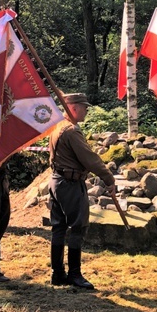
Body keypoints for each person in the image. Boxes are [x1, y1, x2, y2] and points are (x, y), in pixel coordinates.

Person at [48, 93, 116, 289]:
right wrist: (108, 178)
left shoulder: (57, 127)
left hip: (57, 181)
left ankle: (57, 273)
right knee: (77, 227)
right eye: (84, 107)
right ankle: (74, 275)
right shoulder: (71, 131)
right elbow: (90, 159)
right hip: (69, 184)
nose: (86, 110)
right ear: (74, 108)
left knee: (59, 227)